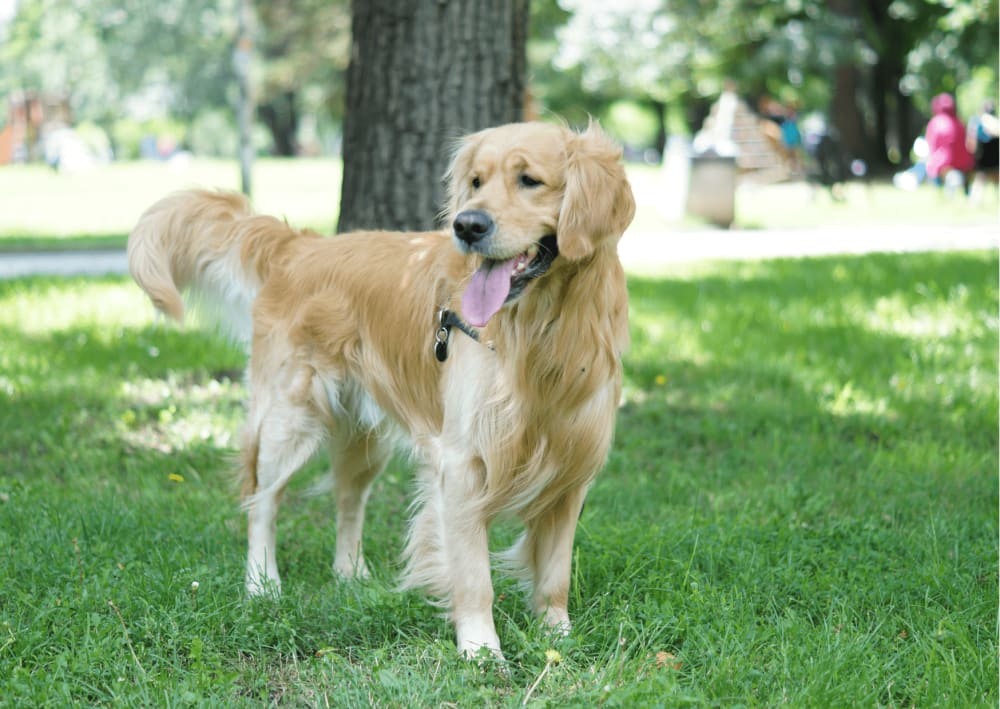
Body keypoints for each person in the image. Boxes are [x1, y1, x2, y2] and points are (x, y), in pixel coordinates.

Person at [924, 92, 975, 194]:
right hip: (962, 160)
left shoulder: (935, 123)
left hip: (942, 161)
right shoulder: (960, 122)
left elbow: (931, 145)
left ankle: (942, 188)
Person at [965, 99, 999, 203]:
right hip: (996, 158)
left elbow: (970, 144)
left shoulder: (977, 122)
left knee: (980, 179)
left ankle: (974, 201)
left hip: (982, 158)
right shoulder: (996, 122)